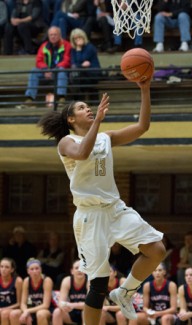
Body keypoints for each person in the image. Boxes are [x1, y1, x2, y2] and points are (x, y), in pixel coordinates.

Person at [37, 75, 166, 325]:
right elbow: (83, 153)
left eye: (90, 106)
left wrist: (145, 89)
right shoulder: (67, 142)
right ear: (71, 119)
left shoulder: (105, 138)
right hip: (90, 215)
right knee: (98, 284)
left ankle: (125, 292)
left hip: (115, 209)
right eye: (82, 108)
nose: (89, 109)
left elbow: (142, 127)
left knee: (156, 249)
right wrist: (97, 121)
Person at [16, 26, 71, 109]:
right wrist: (45, 70)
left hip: (58, 72)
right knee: (34, 71)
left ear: (60, 35)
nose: (53, 36)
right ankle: (30, 99)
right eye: (51, 35)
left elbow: (67, 60)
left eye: (55, 34)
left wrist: (53, 71)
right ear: (48, 36)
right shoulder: (44, 46)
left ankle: (61, 98)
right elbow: (39, 61)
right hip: (46, 73)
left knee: (62, 70)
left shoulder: (66, 45)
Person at [10, 258, 53, 325]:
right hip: (30, 309)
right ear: (28, 271)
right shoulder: (26, 281)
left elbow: (46, 305)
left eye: (37, 268)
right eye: (32, 269)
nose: (34, 271)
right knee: (14, 314)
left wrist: (28, 311)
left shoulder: (47, 280)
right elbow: (23, 303)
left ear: (41, 269)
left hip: (44, 310)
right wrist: (26, 312)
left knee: (40, 314)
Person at [69, 28, 101, 102]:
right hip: (81, 74)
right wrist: (80, 65)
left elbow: (81, 60)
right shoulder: (73, 50)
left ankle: (76, 101)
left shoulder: (90, 47)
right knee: (75, 77)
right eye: (75, 39)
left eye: (79, 37)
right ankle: (78, 102)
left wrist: (79, 49)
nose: (78, 40)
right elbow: (73, 63)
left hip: (93, 74)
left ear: (83, 37)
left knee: (75, 77)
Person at [52, 260, 88, 325]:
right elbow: (60, 302)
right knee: (57, 312)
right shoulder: (67, 281)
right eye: (76, 268)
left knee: (86, 311)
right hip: (70, 311)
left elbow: (90, 305)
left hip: (86, 312)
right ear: (72, 271)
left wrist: (71, 305)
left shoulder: (89, 282)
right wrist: (64, 306)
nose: (79, 270)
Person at [0, 257, 23, 324]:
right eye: (1, 266)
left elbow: (19, 303)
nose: (3, 269)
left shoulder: (18, 281)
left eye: (7, 267)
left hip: (13, 308)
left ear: (12, 269)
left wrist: (3, 309)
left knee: (4, 314)